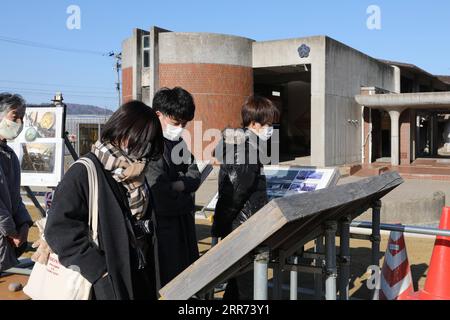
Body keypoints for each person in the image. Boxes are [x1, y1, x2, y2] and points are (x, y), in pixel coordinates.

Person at [43, 100, 164, 300]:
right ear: (122, 131)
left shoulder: (136, 171)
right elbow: (58, 228)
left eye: (149, 141)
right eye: (141, 139)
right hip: (104, 281)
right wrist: (99, 270)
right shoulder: (84, 171)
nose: (144, 147)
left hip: (138, 270)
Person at [212, 95, 279, 300]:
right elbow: (236, 192)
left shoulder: (242, 143)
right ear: (253, 124)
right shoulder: (246, 149)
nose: (271, 129)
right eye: (268, 124)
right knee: (247, 286)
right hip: (244, 225)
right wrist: (221, 225)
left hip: (238, 223)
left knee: (237, 282)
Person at [145, 87, 201, 287]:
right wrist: (186, 193)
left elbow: (195, 174)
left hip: (182, 226)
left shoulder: (178, 142)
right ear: (158, 114)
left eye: (185, 124)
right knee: (168, 284)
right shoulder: (149, 145)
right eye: (176, 122)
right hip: (162, 231)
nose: (180, 127)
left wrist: (178, 184)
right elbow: (159, 195)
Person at [0, 93, 33, 272]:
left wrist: (25, 225)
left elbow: (15, 197)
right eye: (15, 117)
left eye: (22, 117)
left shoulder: (9, 155)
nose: (19, 123)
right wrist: (12, 232)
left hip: (7, 243)